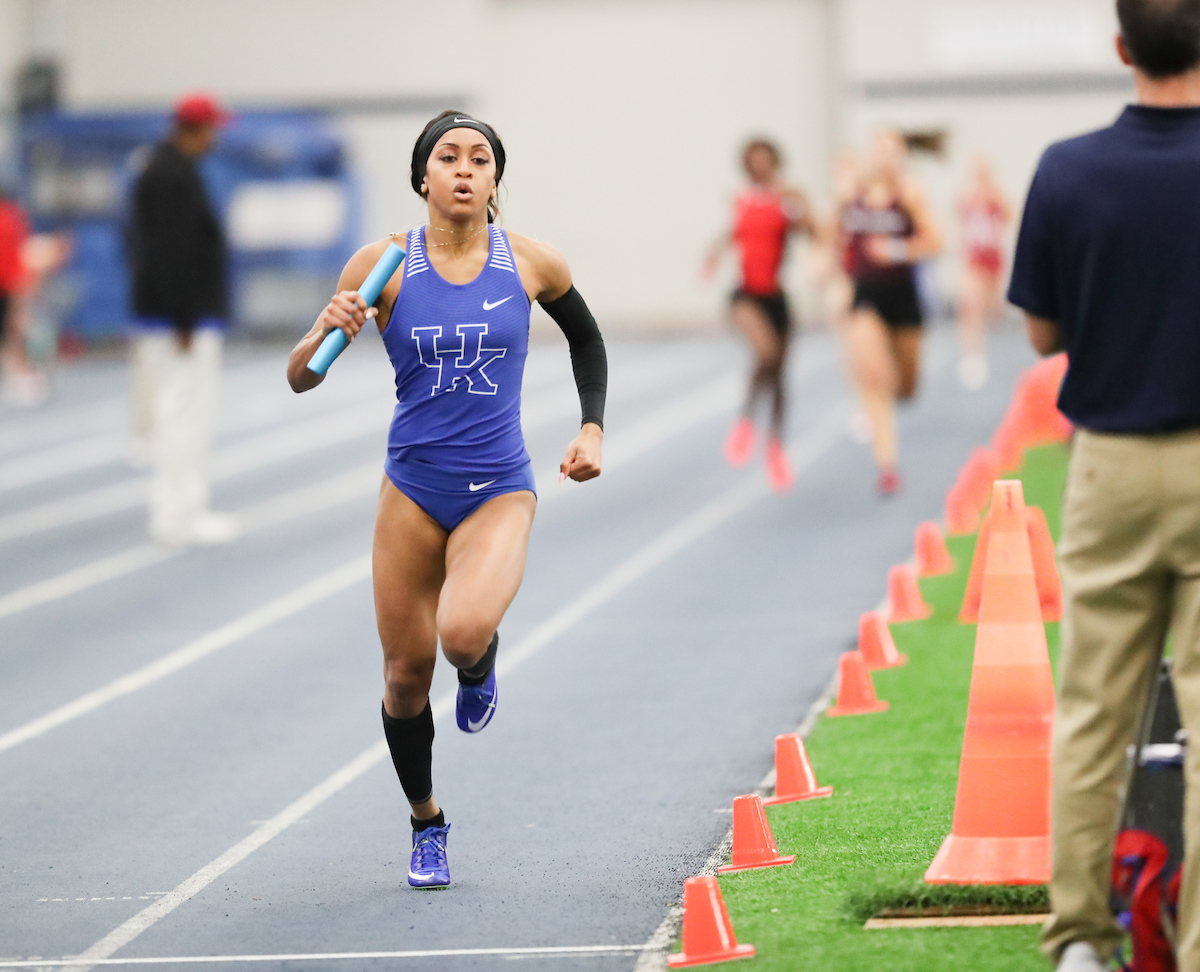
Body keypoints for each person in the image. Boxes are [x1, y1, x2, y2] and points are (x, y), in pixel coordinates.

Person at [286, 110, 607, 890]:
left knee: (461, 635)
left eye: (480, 159)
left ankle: (481, 660)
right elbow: (303, 374)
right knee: (403, 677)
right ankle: (427, 821)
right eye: (448, 157)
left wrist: (591, 428)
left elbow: (588, 339)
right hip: (413, 489)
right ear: (422, 176)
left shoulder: (531, 263)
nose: (465, 169)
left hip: (499, 483)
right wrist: (324, 330)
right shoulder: (383, 265)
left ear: (496, 180)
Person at [1007, 2, 1200, 968]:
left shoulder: (1068, 168)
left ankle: (1081, 937)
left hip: (1112, 461)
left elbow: (1043, 335)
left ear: (1123, 48)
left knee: (1092, 712)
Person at [127, 93, 238, 545]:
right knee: (182, 417)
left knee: (179, 415)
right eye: (213, 128)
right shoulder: (171, 176)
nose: (217, 138)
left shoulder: (162, 169)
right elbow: (171, 254)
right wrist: (186, 319)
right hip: (178, 322)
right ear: (198, 129)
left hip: (169, 316)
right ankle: (177, 513)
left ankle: (184, 508)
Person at [702, 138, 814, 492]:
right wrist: (714, 253)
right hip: (745, 296)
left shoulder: (787, 197)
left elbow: (811, 232)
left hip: (777, 298)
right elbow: (735, 232)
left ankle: (776, 447)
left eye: (766, 160)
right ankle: (746, 421)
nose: (760, 167)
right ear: (747, 165)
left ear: (775, 162)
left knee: (779, 375)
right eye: (754, 161)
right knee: (765, 354)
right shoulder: (741, 198)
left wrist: (801, 210)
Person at [837, 130, 942, 495]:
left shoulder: (910, 194)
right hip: (865, 296)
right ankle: (887, 466)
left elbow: (936, 241)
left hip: (903, 297)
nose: (883, 158)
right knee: (875, 380)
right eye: (878, 150)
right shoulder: (853, 193)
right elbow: (832, 235)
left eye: (891, 152)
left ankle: (891, 400)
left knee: (906, 387)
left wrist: (896, 250)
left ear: (900, 157)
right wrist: (824, 265)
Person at [956, 157, 1012, 391]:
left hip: (993, 257)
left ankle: (987, 348)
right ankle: (973, 355)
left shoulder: (996, 196)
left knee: (993, 309)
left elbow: (1009, 217)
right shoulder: (966, 196)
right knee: (971, 307)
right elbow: (960, 226)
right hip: (974, 258)